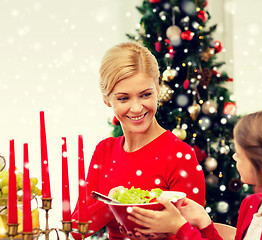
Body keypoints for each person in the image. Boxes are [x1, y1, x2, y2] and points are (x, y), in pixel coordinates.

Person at [127, 108, 262, 240]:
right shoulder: (253, 204)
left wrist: (181, 229)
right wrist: (204, 223)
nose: (235, 157)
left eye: (240, 153)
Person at [71, 42, 206, 240]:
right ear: (107, 99)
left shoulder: (179, 155)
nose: (136, 108)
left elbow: (195, 234)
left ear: (158, 90)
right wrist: (114, 202)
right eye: (123, 98)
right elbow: (76, 229)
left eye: (145, 95)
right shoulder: (104, 151)